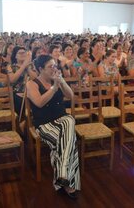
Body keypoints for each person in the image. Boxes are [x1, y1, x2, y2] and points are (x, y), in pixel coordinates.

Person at [26, 55, 80, 199]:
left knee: (68, 120)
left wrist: (61, 81)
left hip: (62, 121)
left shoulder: (57, 79)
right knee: (69, 141)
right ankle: (67, 182)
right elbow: (39, 103)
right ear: (40, 69)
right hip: (44, 125)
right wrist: (54, 88)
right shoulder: (32, 84)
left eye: (55, 66)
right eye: (50, 67)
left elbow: (71, 95)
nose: (54, 69)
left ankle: (62, 176)